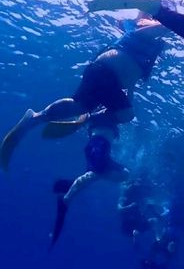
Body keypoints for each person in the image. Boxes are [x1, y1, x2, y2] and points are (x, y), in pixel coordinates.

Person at [1, 16, 167, 171]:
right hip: (106, 75)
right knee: (123, 115)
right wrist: (183, 19)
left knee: (79, 106)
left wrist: (125, 103)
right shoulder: (140, 34)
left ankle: (35, 118)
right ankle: (92, 119)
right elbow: (162, 26)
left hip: (104, 76)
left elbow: (131, 84)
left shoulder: (146, 49)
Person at [51, 121, 128, 246]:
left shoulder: (104, 112)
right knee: (99, 174)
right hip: (98, 147)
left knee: (120, 174)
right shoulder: (107, 108)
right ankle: (66, 199)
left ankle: (70, 188)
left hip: (100, 148)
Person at [135, 189, 184, 269]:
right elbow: (160, 220)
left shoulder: (160, 241)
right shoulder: (163, 243)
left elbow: (159, 219)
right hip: (176, 227)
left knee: (161, 248)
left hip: (174, 226)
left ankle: (149, 268)